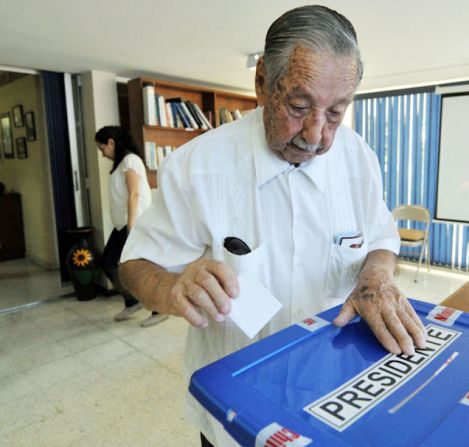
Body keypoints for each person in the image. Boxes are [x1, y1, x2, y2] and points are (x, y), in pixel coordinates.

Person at [118, 6, 426, 446]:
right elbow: (135, 264)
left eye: (336, 113)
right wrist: (172, 289)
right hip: (235, 413)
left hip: (336, 395)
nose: (318, 135)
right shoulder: (198, 166)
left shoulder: (358, 158)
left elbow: (380, 238)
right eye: (299, 107)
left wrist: (377, 273)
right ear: (262, 82)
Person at [95, 126, 167, 327]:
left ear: (111, 142)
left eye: (102, 149)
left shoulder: (130, 160)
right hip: (123, 226)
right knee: (109, 263)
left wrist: (132, 225)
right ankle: (132, 300)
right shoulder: (121, 164)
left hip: (134, 225)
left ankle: (158, 309)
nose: (103, 154)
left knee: (144, 268)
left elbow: (134, 194)